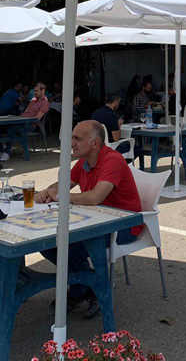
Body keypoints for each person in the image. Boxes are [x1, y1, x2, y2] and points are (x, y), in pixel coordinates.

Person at [34, 120, 143, 317]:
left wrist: (59, 197)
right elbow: (62, 186)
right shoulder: (84, 162)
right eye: (71, 138)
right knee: (47, 244)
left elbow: (94, 198)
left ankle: (86, 288)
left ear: (94, 143)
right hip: (94, 221)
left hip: (123, 226)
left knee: (67, 245)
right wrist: (47, 192)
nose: (72, 143)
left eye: (77, 138)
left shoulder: (112, 160)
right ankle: (91, 284)